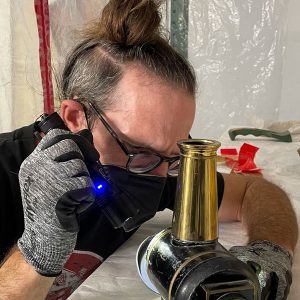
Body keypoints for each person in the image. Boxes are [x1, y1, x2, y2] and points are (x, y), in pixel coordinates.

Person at [0, 0, 298, 299]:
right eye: (137, 150)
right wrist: (39, 251)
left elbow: (254, 192)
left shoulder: (159, 165)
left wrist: (272, 250)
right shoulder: (5, 171)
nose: (159, 176)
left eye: (173, 155)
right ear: (76, 118)